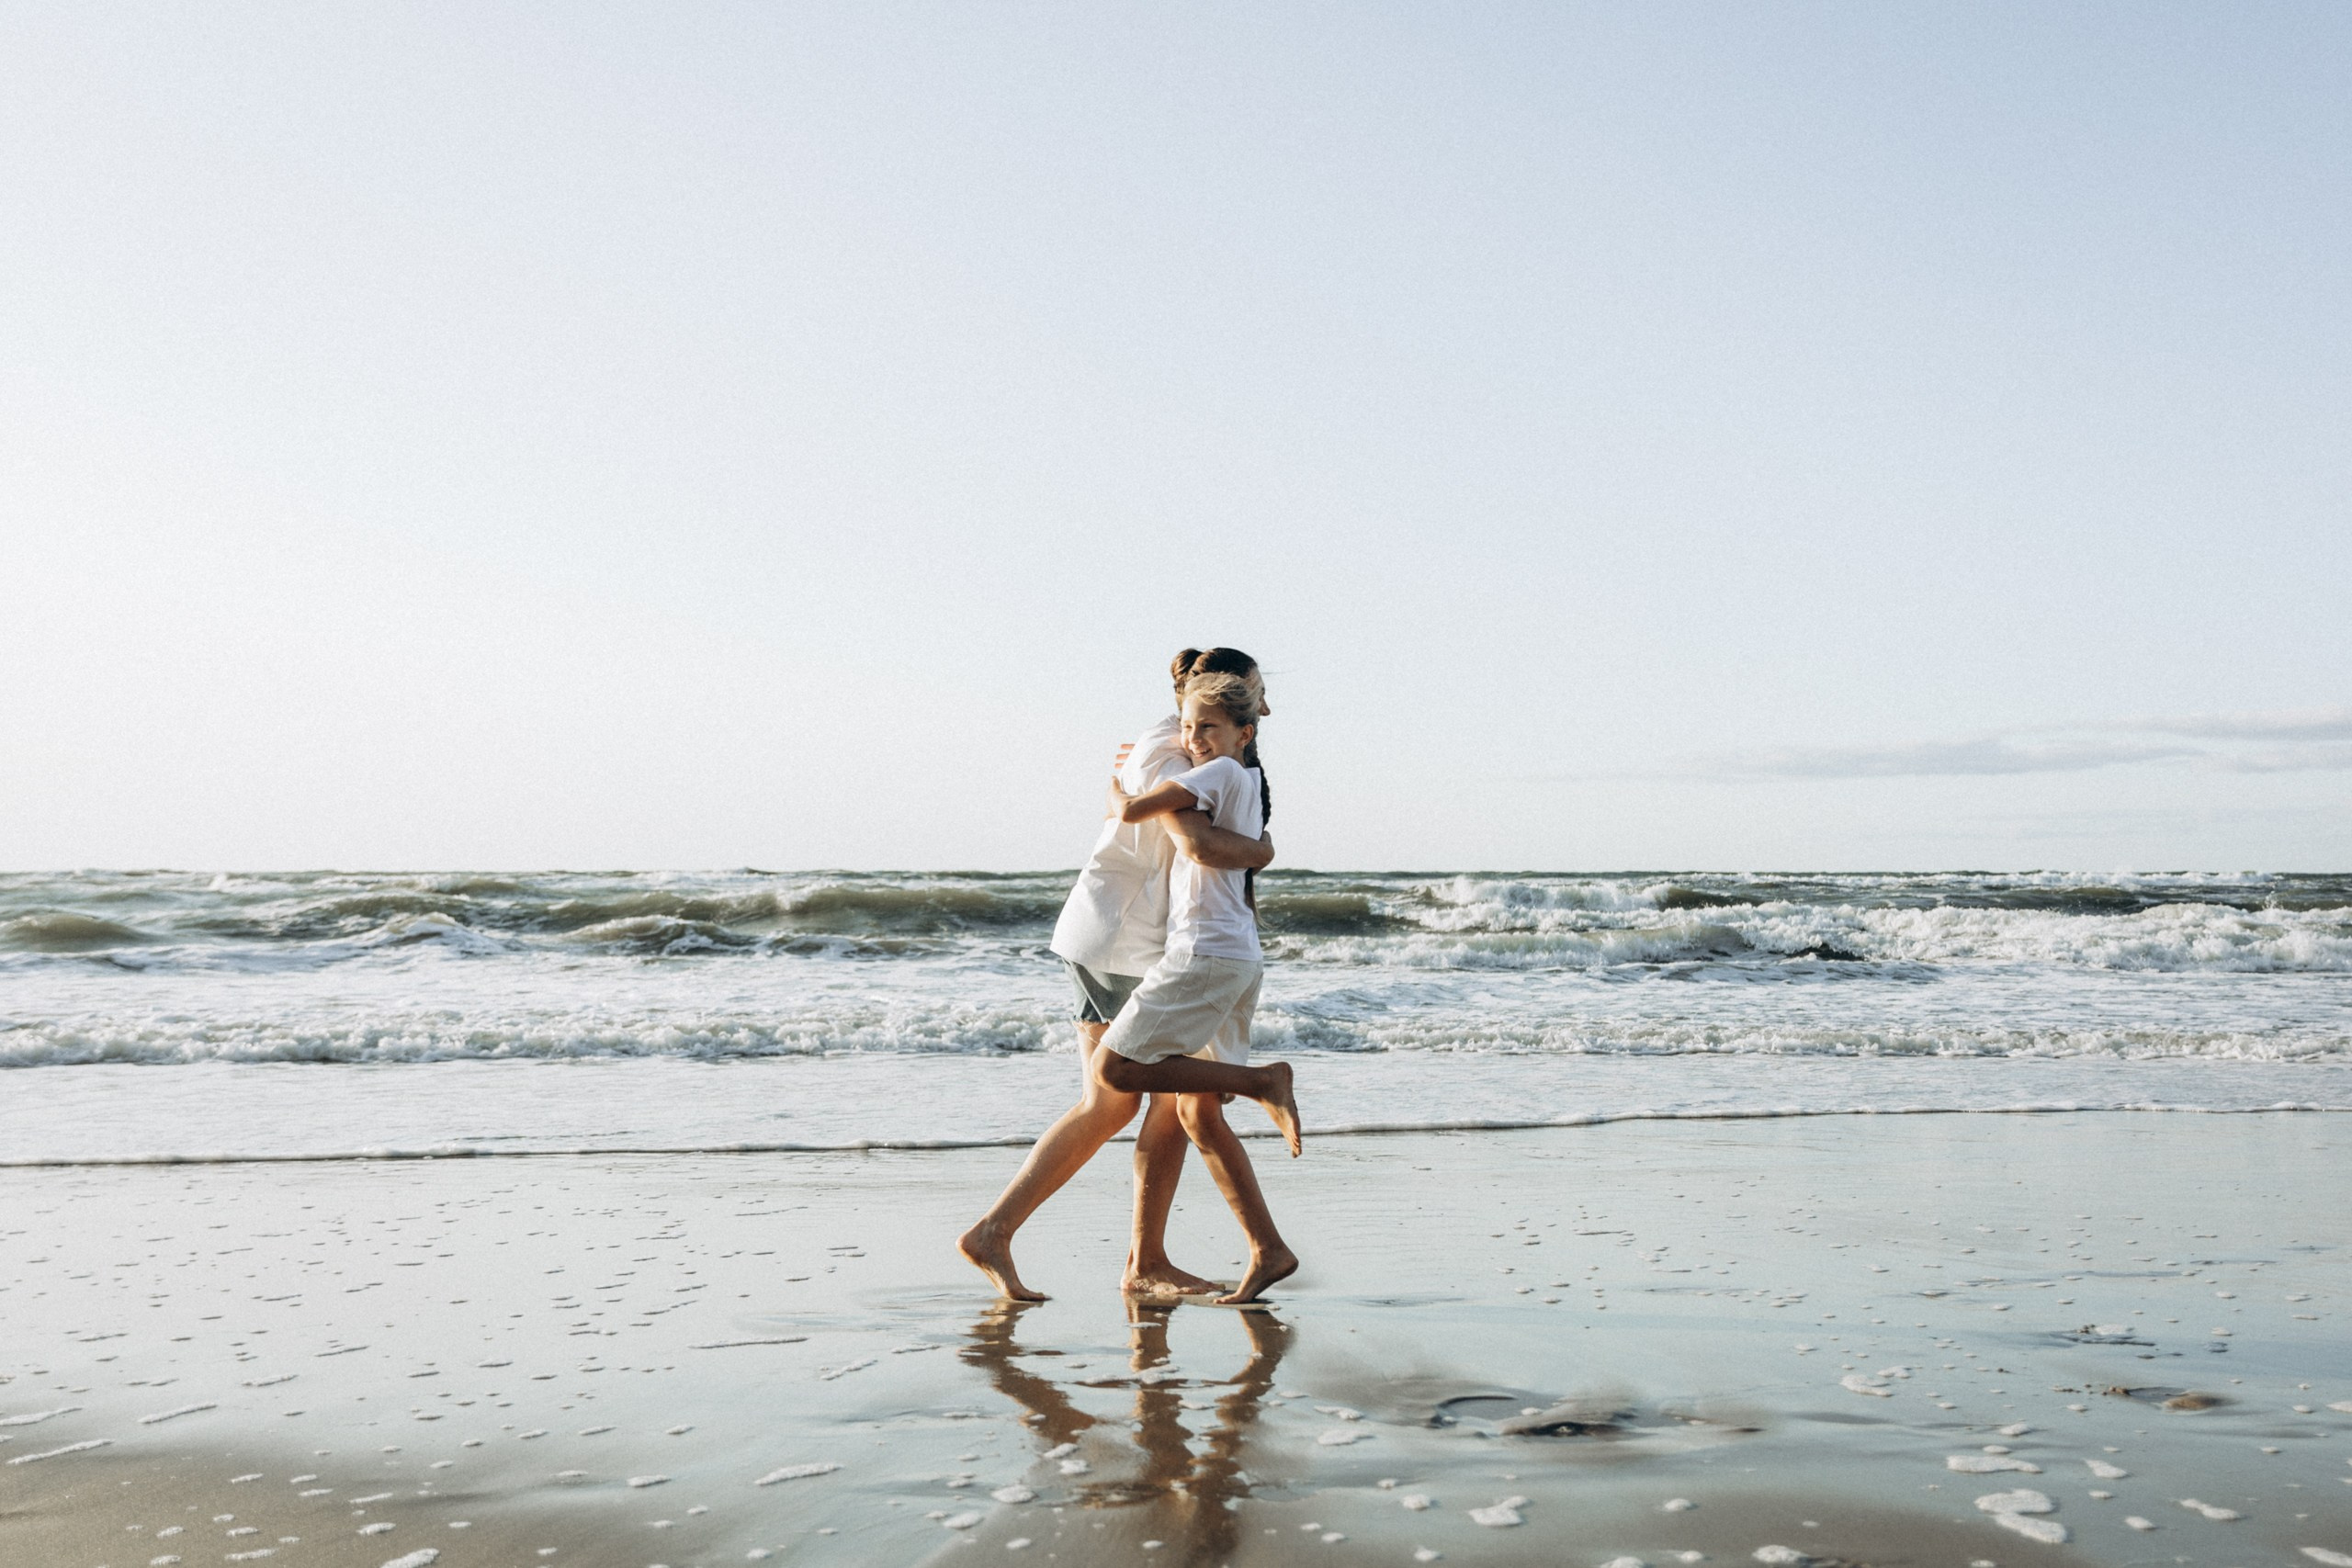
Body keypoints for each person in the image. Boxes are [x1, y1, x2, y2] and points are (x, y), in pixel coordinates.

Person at [958, 650, 1276, 1303]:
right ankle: (1006, 1232)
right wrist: (1266, 851)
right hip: (1121, 938)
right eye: (1255, 691)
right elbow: (1196, 843)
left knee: (1142, 1101)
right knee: (1117, 1098)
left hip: (1132, 940)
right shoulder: (1176, 747)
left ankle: (1138, 1259)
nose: (1263, 706)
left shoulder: (1207, 744)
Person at [1092, 669, 1303, 1305]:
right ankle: (1269, 1249)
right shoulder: (1248, 780)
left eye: (1207, 727)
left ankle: (1265, 1080)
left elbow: (1135, 812)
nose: (1194, 738)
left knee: (1116, 1070)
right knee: (1195, 1111)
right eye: (1187, 726)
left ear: (1244, 732)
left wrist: (1115, 783)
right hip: (1235, 954)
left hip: (1204, 954)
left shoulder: (1220, 772)